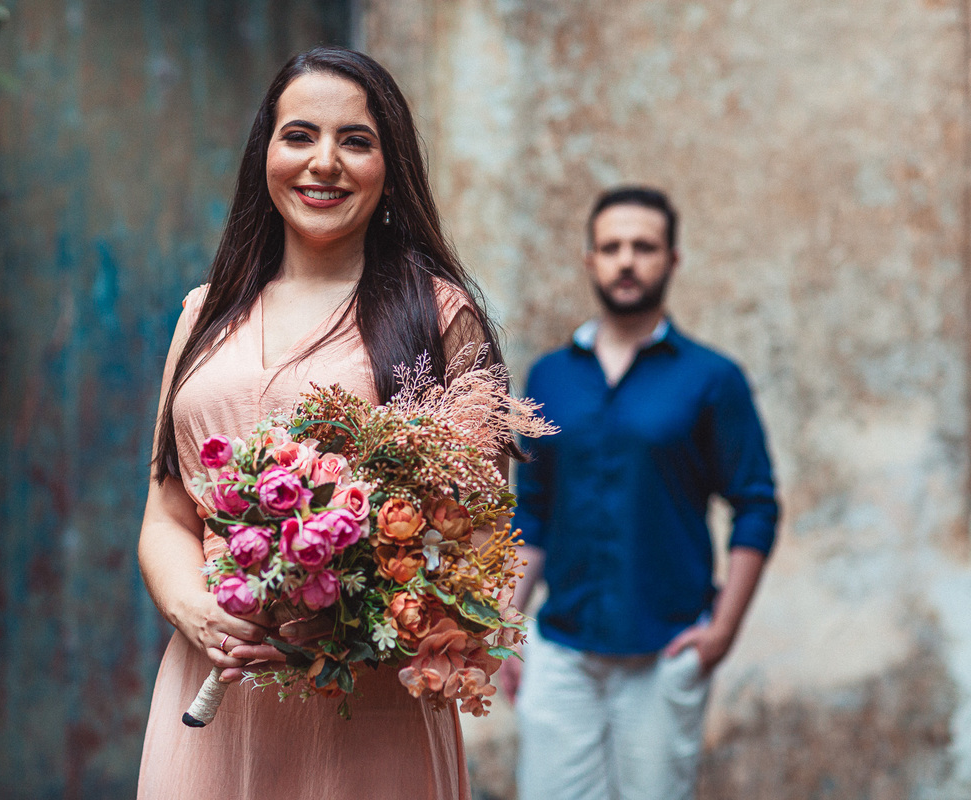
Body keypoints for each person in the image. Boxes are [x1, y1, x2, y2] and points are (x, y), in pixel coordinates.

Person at [135, 46, 507, 800]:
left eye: (356, 141)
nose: (324, 163)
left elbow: (480, 541)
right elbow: (168, 514)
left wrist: (340, 621)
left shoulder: (438, 317)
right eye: (299, 135)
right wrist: (196, 612)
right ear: (265, 153)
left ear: (390, 164)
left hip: (363, 710)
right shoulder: (203, 315)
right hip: (215, 689)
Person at [501, 186, 778, 800]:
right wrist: (505, 628)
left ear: (672, 259)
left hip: (665, 648)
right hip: (561, 648)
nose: (627, 260)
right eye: (611, 247)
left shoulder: (712, 378)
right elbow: (534, 512)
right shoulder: (550, 376)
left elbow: (756, 503)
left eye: (644, 247)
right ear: (590, 260)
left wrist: (723, 631)